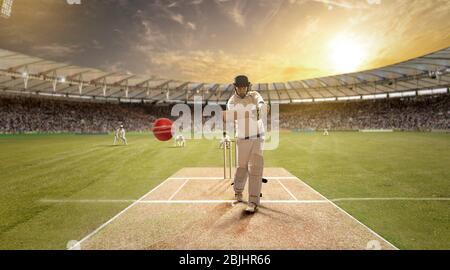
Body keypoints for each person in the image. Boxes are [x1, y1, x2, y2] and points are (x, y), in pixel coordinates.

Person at [223, 75, 269, 213]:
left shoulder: (254, 95)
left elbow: (261, 103)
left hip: (257, 137)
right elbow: (232, 114)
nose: (242, 89)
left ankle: (253, 201)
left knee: (255, 168)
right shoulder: (232, 101)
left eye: (244, 86)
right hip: (242, 138)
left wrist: (260, 107)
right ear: (235, 87)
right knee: (241, 167)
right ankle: (238, 192)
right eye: (239, 86)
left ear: (248, 86)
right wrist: (249, 112)